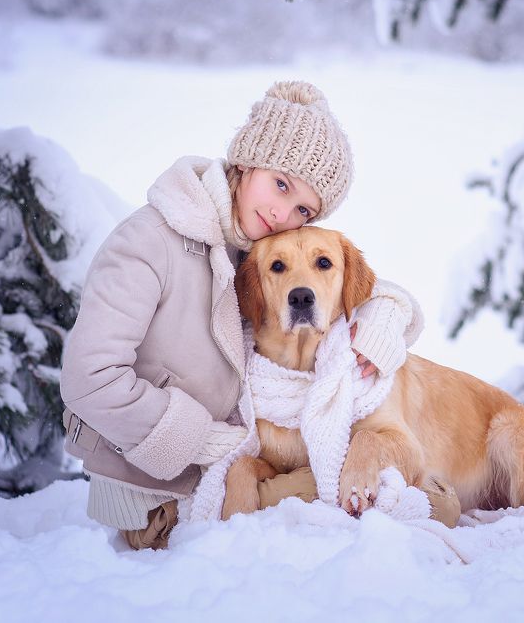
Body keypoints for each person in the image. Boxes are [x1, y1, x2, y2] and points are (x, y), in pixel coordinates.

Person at [60, 80, 457, 551]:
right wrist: (198, 440)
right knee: (412, 498)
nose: (282, 213)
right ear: (247, 162)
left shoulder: (251, 246)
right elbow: (89, 381)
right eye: (281, 184)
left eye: (302, 208)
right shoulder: (148, 242)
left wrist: (386, 316)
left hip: (233, 466)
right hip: (161, 495)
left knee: (388, 479)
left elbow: (336, 276)